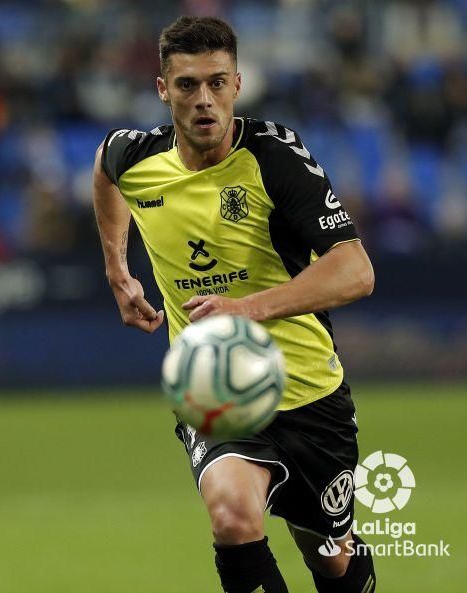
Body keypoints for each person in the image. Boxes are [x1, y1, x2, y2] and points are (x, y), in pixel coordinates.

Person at [92, 16, 376, 593]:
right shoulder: (135, 156)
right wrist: (118, 270)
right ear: (162, 90)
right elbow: (104, 173)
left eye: (217, 84)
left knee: (331, 560)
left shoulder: (273, 158)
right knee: (231, 516)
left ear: (238, 86)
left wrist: (246, 310)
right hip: (215, 389)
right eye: (188, 85)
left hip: (307, 394)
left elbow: (356, 271)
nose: (204, 100)